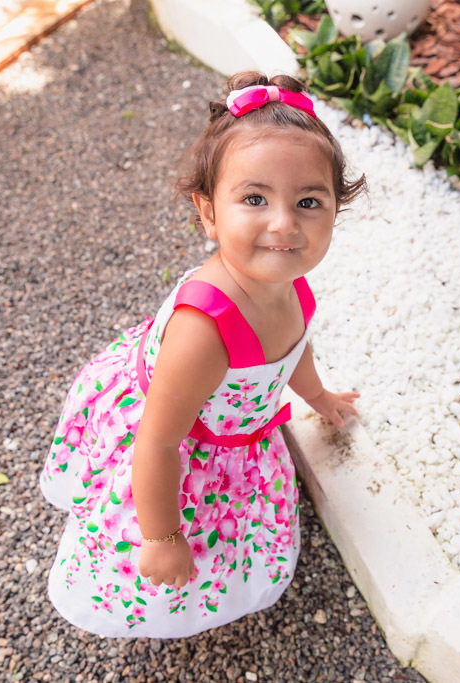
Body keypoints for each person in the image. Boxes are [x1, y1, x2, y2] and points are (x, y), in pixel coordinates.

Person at [39, 71, 366, 638]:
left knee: (236, 538)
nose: (284, 223)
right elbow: (158, 441)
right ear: (209, 212)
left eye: (308, 201)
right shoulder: (204, 332)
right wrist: (163, 536)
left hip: (230, 436)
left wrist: (319, 396)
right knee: (186, 554)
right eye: (255, 199)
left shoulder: (286, 283)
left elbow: (293, 350)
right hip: (181, 449)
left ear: (336, 208)